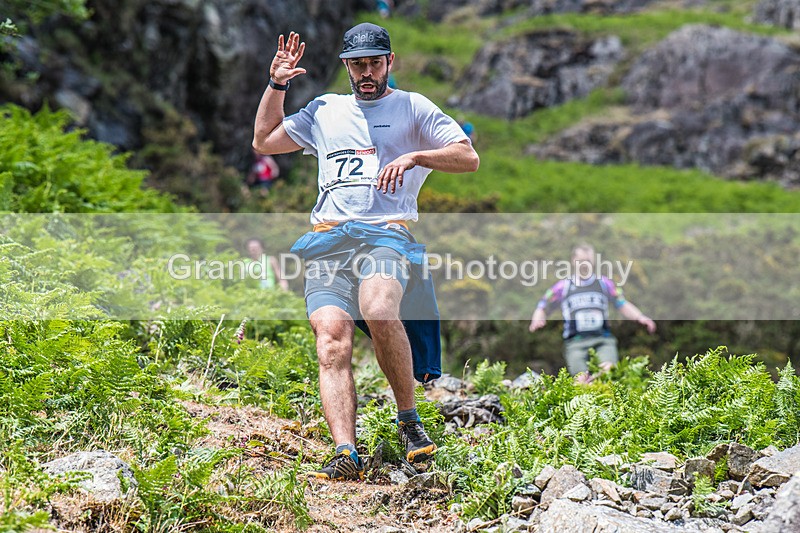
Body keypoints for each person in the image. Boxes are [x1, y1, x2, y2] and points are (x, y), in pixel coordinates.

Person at [252, 24, 479, 480]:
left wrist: (416, 157)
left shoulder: (413, 107)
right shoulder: (325, 109)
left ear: (390, 62)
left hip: (385, 234)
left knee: (377, 306)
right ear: (346, 67)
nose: (367, 72)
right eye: (358, 65)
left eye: (375, 63)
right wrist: (277, 84)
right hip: (328, 239)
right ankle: (345, 452)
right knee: (330, 338)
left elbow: (467, 157)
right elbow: (264, 140)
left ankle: (409, 420)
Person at [529, 244, 656, 382]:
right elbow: (543, 305)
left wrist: (640, 317)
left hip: (603, 339)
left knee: (607, 373)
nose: (584, 265)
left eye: (588, 261)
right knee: (581, 380)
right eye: (581, 261)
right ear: (573, 261)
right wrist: (537, 319)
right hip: (575, 342)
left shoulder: (604, 283)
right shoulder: (563, 287)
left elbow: (622, 303)